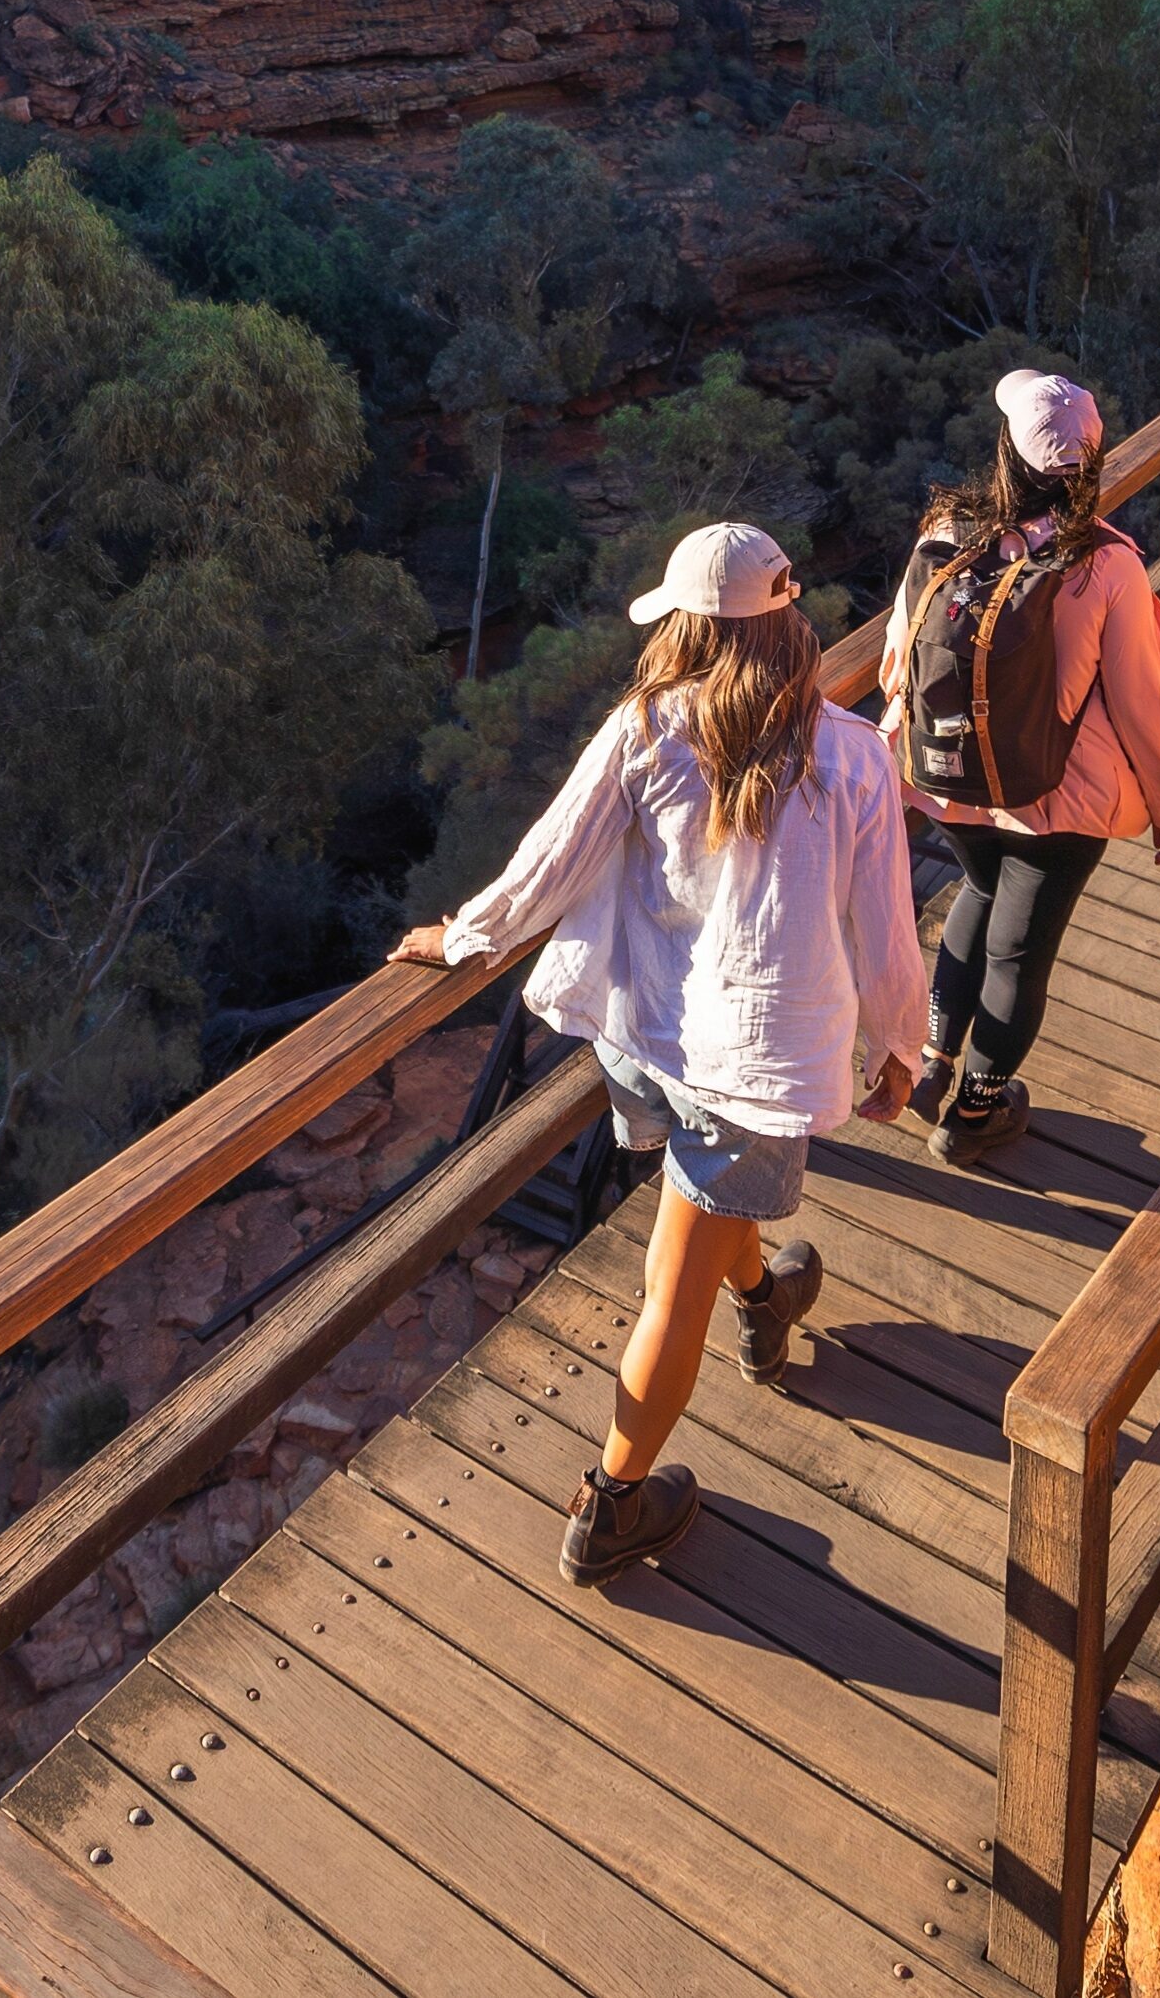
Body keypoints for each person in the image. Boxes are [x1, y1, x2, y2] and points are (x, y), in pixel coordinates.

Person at [392, 521, 926, 1585]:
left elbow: (552, 859)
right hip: (754, 1067)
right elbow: (885, 925)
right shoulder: (852, 755)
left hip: (646, 1041)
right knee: (668, 1286)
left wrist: (463, 937)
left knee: (698, 1216)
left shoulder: (646, 727)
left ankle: (766, 1299)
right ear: (787, 626)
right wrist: (898, 1048)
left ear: (687, 628)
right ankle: (613, 1505)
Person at [881, 369, 1160, 1169]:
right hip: (1058, 796)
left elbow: (899, 660)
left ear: (1007, 455)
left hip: (949, 778)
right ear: (1088, 466)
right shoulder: (1106, 565)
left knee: (979, 893)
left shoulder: (946, 531)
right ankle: (976, 1115)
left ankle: (932, 1062)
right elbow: (1140, 703)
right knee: (1022, 954)